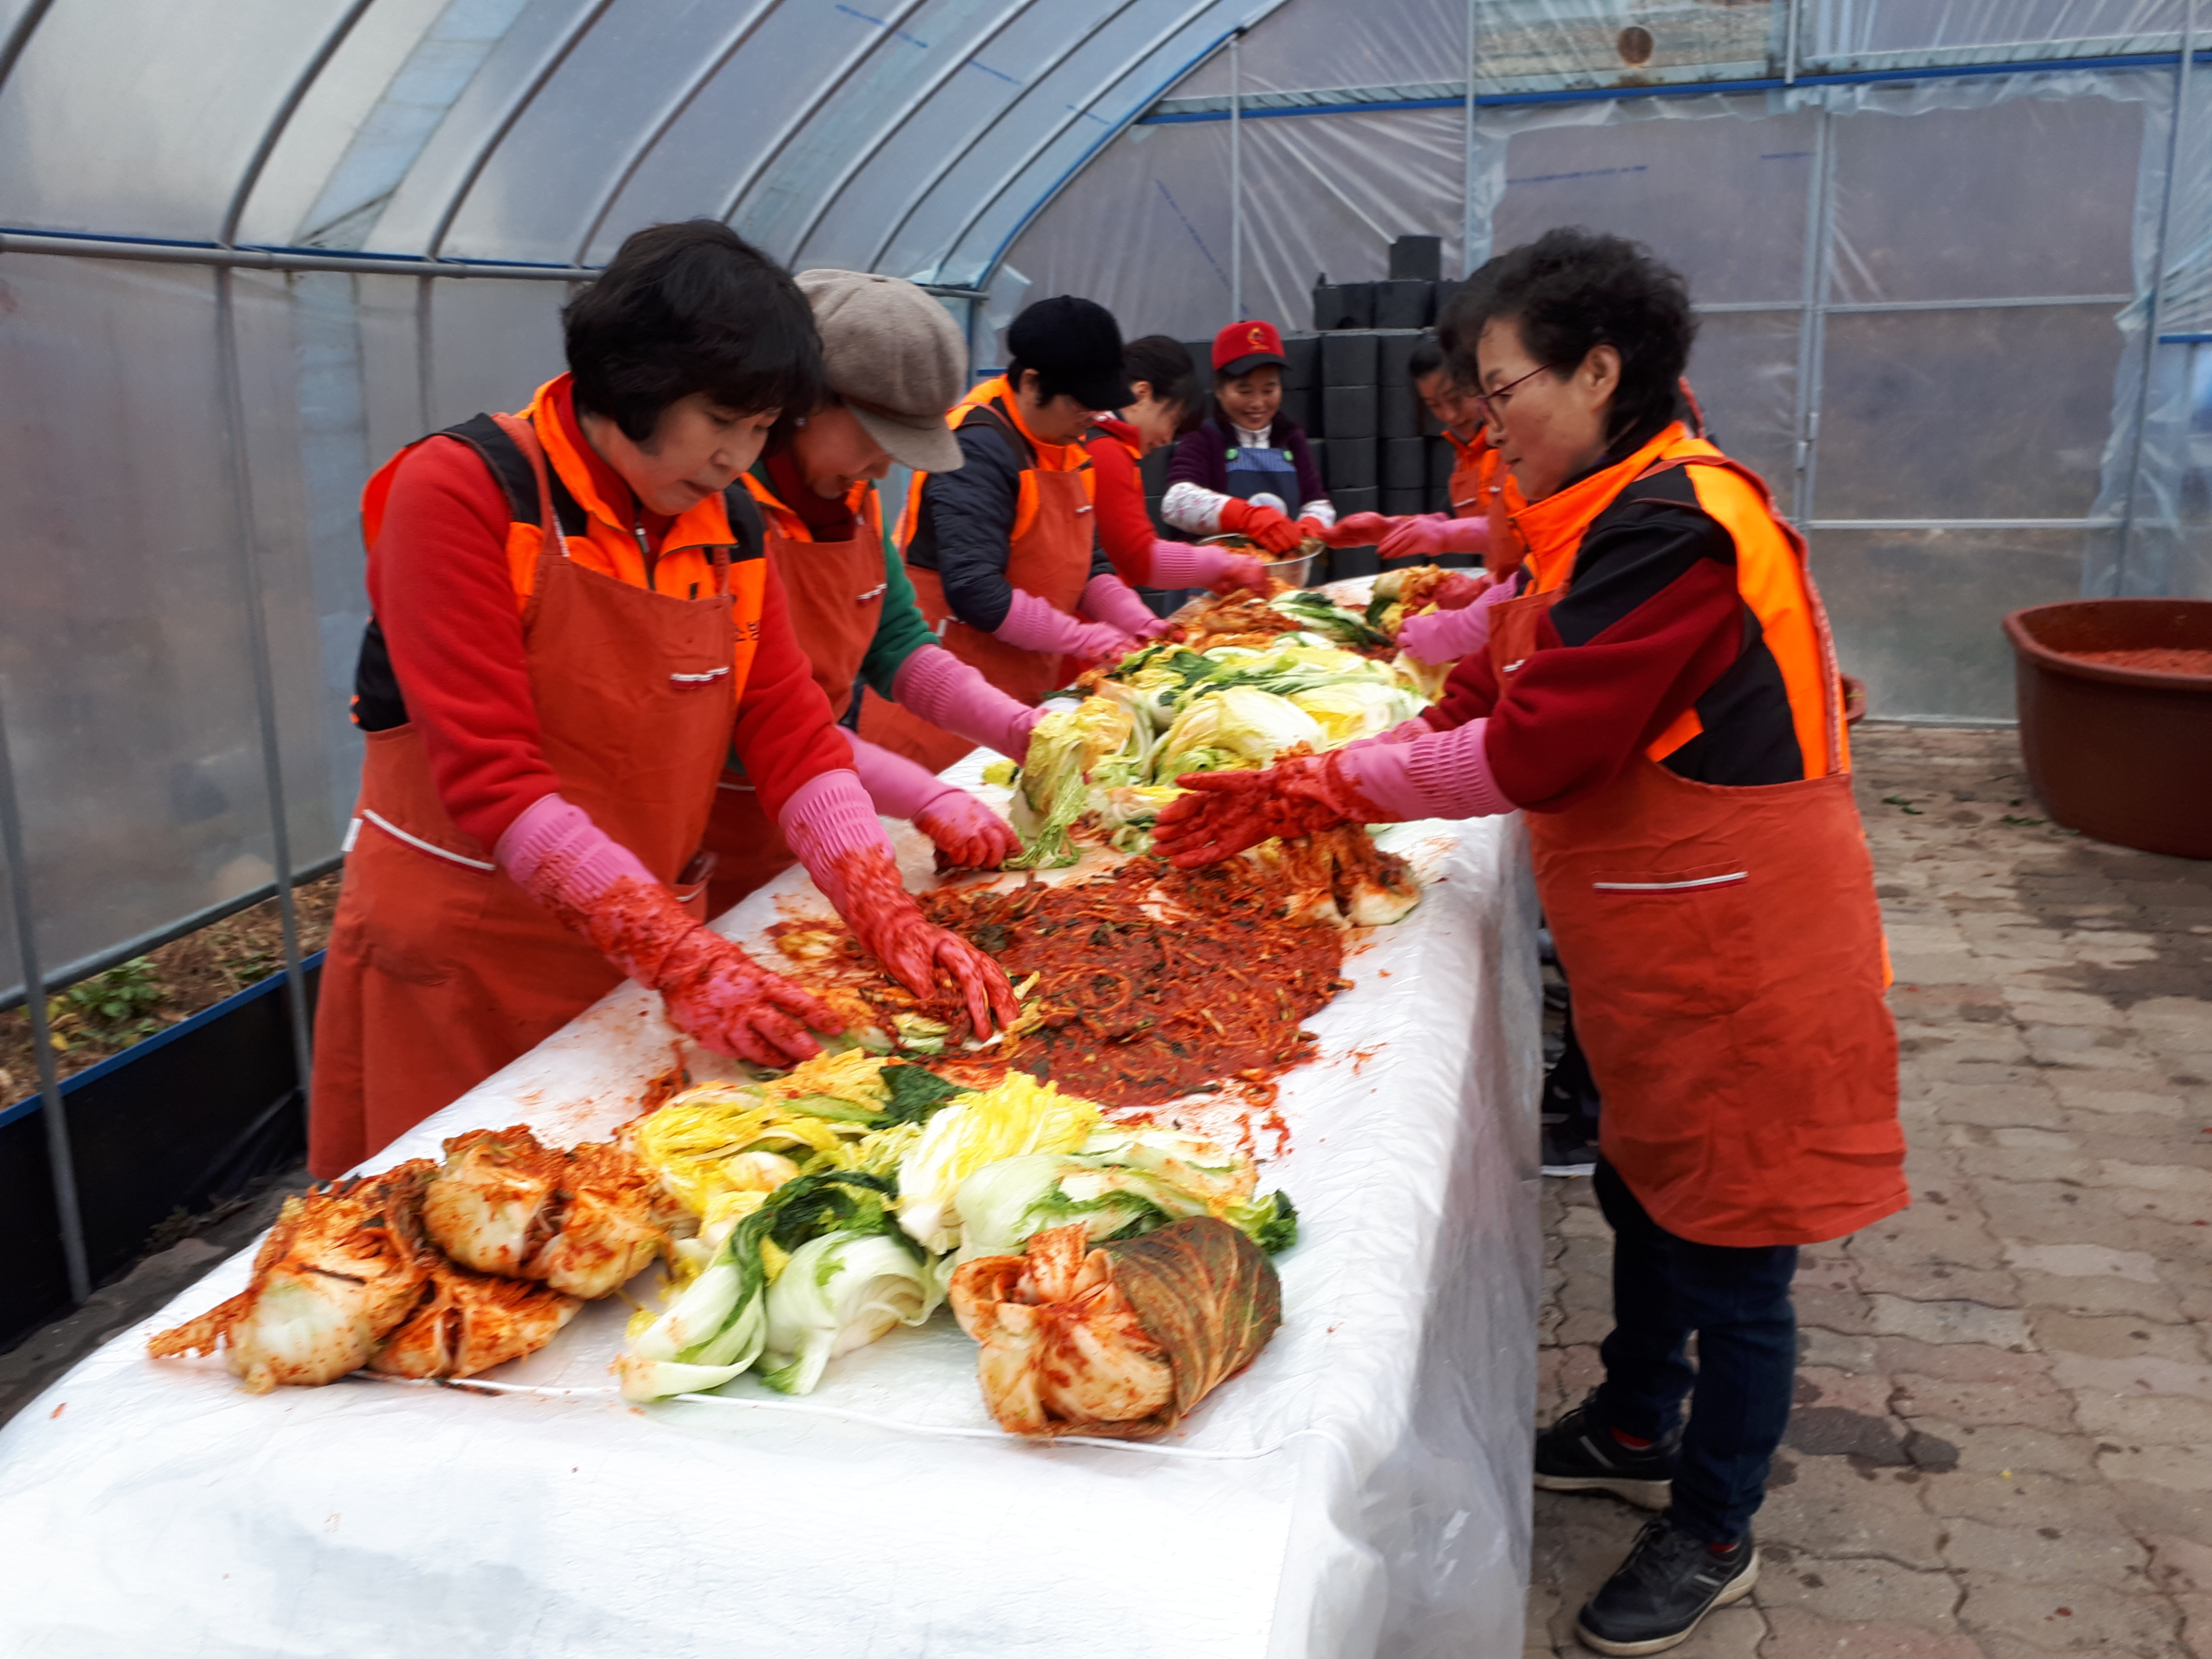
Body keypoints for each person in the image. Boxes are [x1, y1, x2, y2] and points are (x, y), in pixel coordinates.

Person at [1151, 228, 1903, 1657]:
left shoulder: (1681, 526)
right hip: (1655, 929)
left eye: (1502, 393)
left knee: (1735, 1244)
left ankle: (1716, 1523)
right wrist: (1388, 708)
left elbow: (1542, 744)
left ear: (1598, 373)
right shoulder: (1603, 513)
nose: (1487, 427)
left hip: (1743, 937)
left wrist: (1320, 784)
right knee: (1641, 1182)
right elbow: (1511, 655)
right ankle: (1635, 1420)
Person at [312, 222, 1012, 1180]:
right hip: (468, 962)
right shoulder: (467, 491)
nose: (736, 456)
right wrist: (684, 960)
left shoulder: (727, 525)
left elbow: (792, 735)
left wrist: (881, 907)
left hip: (631, 957)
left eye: (761, 428)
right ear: (634, 378)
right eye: (721, 419)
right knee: (446, 1222)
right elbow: (494, 778)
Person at [699, 269, 1047, 916]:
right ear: (805, 401)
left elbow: (898, 642)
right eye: (875, 442)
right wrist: (922, 795)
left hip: (825, 822)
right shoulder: (718, 509)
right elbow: (749, 723)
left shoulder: (854, 500)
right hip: (716, 830)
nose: (885, 467)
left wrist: (1018, 728)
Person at [859, 295, 1169, 775]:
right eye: (1079, 404)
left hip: (1020, 703)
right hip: (939, 717)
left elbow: (1088, 565)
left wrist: (1139, 624)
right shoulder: (976, 447)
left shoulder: (1069, 446)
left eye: (1097, 406)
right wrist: (1083, 638)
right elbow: (976, 591)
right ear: (1031, 383)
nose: (1091, 418)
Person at [1085, 334, 1267, 601]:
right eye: (1172, 421)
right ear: (1142, 394)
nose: (1167, 439)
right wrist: (1223, 566)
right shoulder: (1106, 451)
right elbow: (1139, 558)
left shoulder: (1107, 444)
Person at [1323, 331, 1506, 578]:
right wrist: (1389, 528)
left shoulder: (1516, 446)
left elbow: (1523, 527)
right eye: (1434, 405)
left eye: (1455, 399)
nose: (1450, 416)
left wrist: (1444, 536)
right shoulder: (1465, 453)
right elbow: (1453, 518)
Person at [1161, 319, 1334, 553]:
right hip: (1217, 572)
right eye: (1244, 391)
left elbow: (1317, 502)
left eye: (1269, 390)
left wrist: (1312, 524)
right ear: (1219, 390)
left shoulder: (1291, 437)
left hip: (1283, 570)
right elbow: (1175, 502)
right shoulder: (1203, 437)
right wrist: (1246, 517)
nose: (1258, 403)